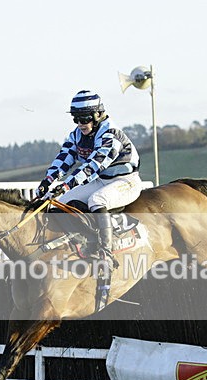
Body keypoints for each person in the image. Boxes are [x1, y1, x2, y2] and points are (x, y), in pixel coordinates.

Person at [35, 90, 142, 273]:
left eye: (84, 118)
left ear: (98, 115)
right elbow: (64, 158)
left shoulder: (111, 134)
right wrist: (48, 180)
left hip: (126, 182)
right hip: (102, 181)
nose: (80, 124)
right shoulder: (77, 135)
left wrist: (67, 184)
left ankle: (106, 253)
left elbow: (94, 166)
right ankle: (78, 244)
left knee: (97, 200)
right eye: (76, 119)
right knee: (60, 202)